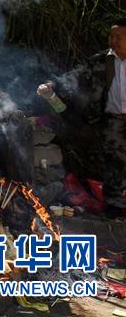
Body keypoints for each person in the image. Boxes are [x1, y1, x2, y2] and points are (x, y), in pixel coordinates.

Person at [35, 18, 126, 211]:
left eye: (119, 37)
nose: (113, 40)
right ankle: (114, 206)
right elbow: (73, 77)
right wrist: (52, 85)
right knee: (114, 163)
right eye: (112, 36)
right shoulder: (100, 61)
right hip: (113, 120)